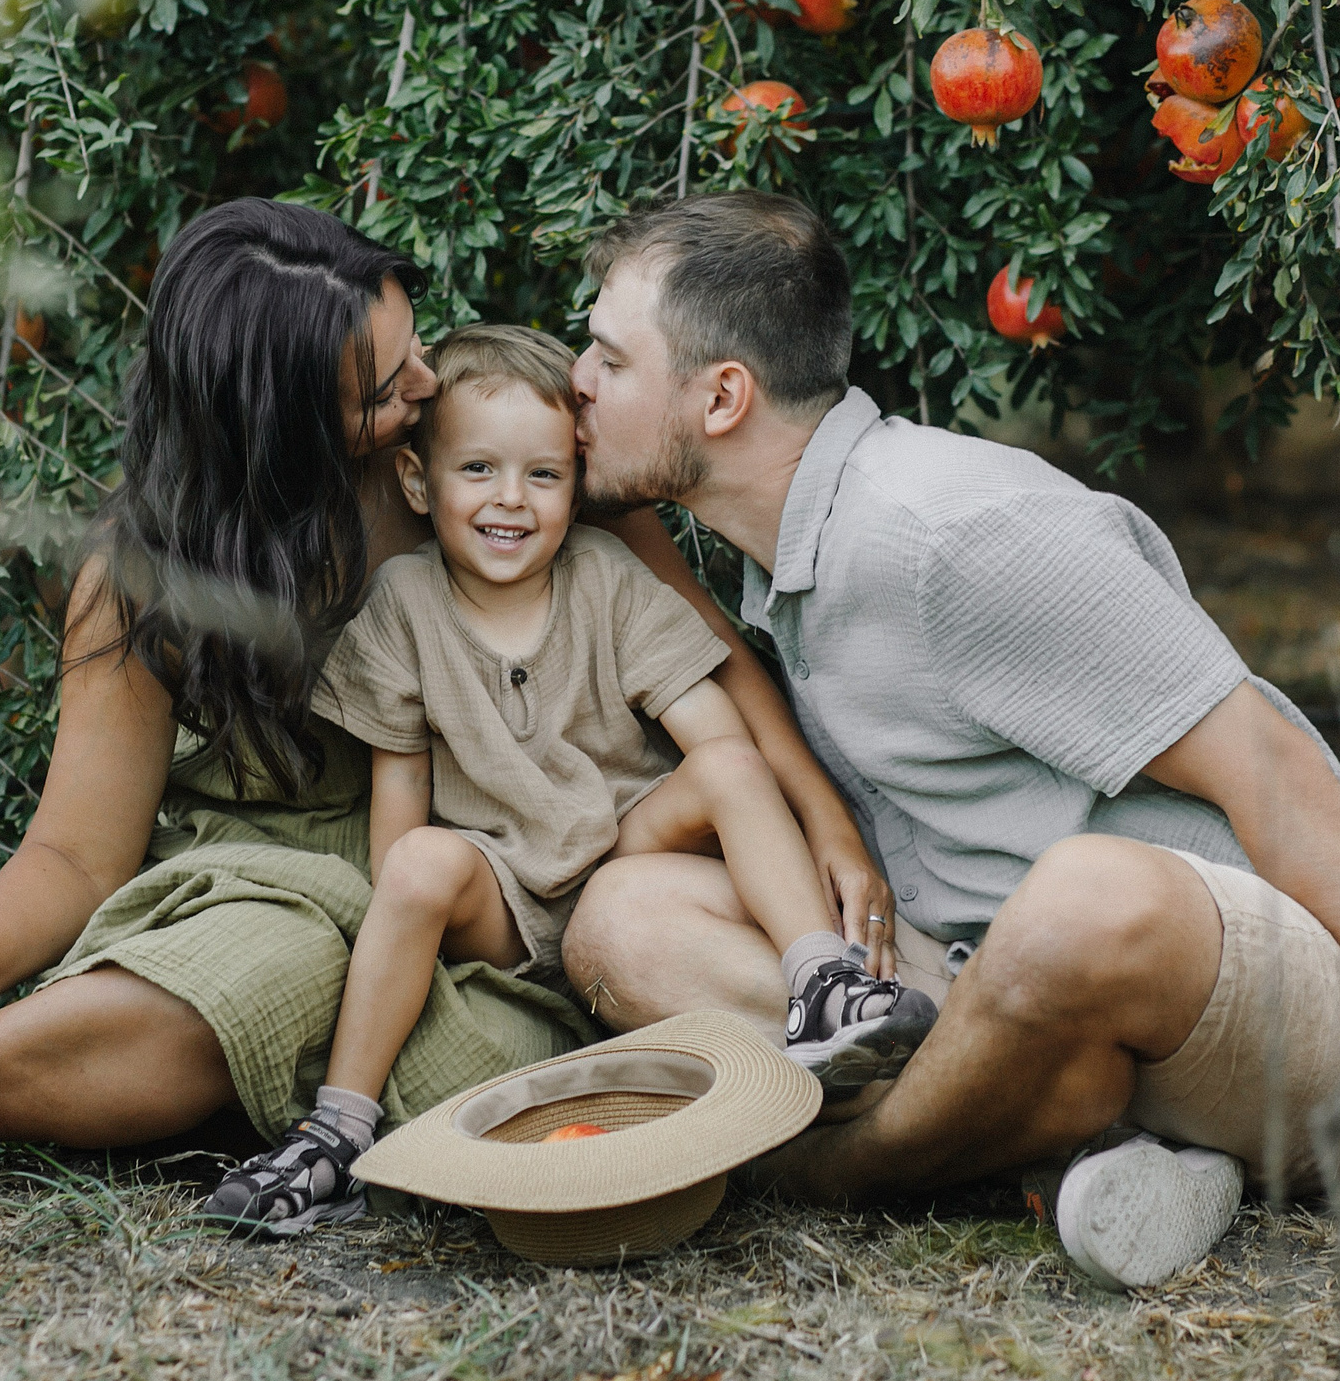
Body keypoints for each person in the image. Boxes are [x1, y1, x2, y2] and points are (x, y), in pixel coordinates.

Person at [0, 199, 893, 1196]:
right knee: (255, 968)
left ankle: (233, 1088)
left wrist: (821, 816)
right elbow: (79, 845)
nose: (426, 389)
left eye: (412, 347)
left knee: (478, 1039)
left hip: (483, 876)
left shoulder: (486, 462)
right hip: (258, 888)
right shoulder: (141, 582)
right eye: (387, 387)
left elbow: (701, 649)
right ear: (286, 429)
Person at [555, 190, 1340, 1287]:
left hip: (1254, 1010)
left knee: (1081, 899)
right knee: (623, 920)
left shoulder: (957, 533)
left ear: (724, 395)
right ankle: (1081, 1146)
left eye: (605, 357)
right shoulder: (782, 543)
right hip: (996, 987)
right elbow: (721, 673)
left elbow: (1285, 780)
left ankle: (836, 1171)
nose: (573, 383)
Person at [197, 326, 933, 1234]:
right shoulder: (402, 605)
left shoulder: (607, 579)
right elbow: (400, 817)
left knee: (731, 760)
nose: (511, 500)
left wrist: (760, 808)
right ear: (419, 484)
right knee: (420, 864)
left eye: (543, 476)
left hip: (628, 845)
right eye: (478, 470)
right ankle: (338, 1135)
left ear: (575, 484)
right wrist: (411, 926)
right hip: (504, 888)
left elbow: (713, 730)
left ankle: (823, 983)